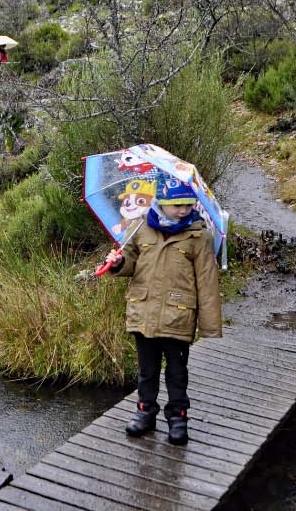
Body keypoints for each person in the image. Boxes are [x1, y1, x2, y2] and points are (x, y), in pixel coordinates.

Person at [104, 175, 222, 445]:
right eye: (176, 204)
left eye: (188, 204)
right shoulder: (139, 228)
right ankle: (145, 413)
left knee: (177, 372)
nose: (183, 210)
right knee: (147, 370)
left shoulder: (199, 236)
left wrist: (209, 326)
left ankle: (178, 417)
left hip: (178, 316)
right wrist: (118, 262)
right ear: (161, 202)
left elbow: (207, 281)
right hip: (143, 313)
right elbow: (130, 263)